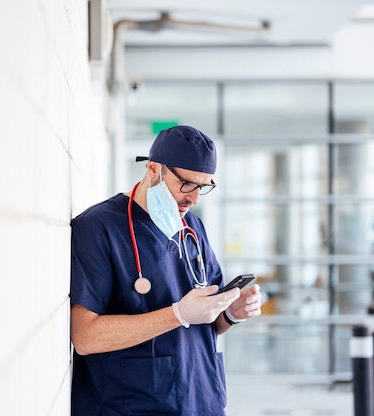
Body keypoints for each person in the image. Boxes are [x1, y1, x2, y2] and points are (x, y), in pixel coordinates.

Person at [69, 125, 262, 416]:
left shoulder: (193, 228)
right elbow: (85, 337)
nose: (195, 198)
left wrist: (231, 313)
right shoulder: (99, 227)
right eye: (187, 184)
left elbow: (211, 323)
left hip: (201, 399)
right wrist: (177, 315)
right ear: (153, 169)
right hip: (132, 405)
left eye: (204, 186)